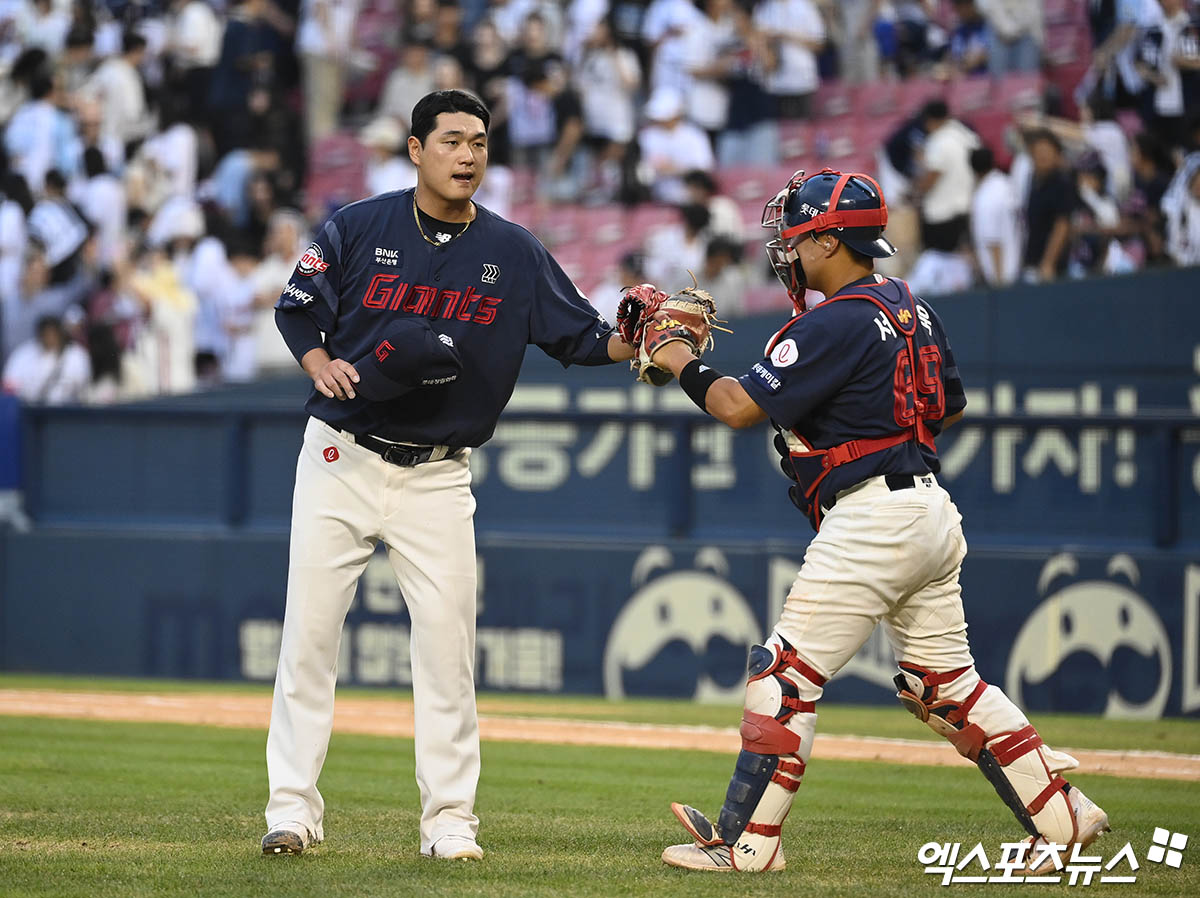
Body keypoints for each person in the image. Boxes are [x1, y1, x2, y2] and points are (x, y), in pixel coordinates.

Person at [639, 168, 1109, 873]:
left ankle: (750, 847)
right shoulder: (910, 306)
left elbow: (736, 407)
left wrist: (675, 351)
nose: (787, 252)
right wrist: (862, 426)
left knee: (783, 678)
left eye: (796, 238)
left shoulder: (833, 319)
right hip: (928, 510)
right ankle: (1061, 815)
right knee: (946, 685)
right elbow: (947, 407)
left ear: (830, 241)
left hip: (875, 520)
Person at [261, 89, 636, 860]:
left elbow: (581, 340)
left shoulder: (514, 251)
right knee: (308, 640)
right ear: (415, 149)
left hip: (437, 476)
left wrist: (639, 341)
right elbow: (298, 306)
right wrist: (319, 359)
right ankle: (292, 813)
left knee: (446, 653)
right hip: (342, 455)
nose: (468, 155)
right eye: (453, 140)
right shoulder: (361, 226)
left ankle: (450, 824)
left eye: (480, 143)